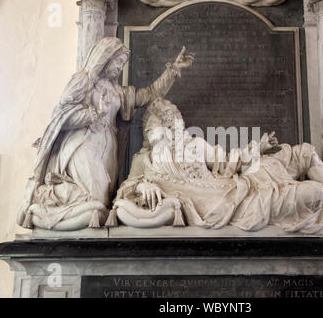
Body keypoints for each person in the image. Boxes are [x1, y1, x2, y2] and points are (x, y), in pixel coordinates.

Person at [112, 98, 323, 233]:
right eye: (158, 131)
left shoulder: (192, 145)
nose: (167, 136)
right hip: (236, 202)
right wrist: (143, 183)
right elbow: (123, 191)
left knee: (304, 153)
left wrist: (257, 149)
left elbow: (227, 160)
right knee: (315, 193)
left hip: (239, 182)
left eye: (171, 127)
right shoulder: (144, 162)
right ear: (150, 134)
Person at [17, 38, 193, 231]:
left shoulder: (117, 91)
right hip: (84, 143)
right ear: (106, 58)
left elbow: (149, 94)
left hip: (108, 147)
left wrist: (172, 71)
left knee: (102, 202)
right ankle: (48, 197)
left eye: (123, 63)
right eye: (118, 61)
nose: (120, 67)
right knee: (93, 199)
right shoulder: (83, 80)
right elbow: (61, 114)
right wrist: (91, 114)